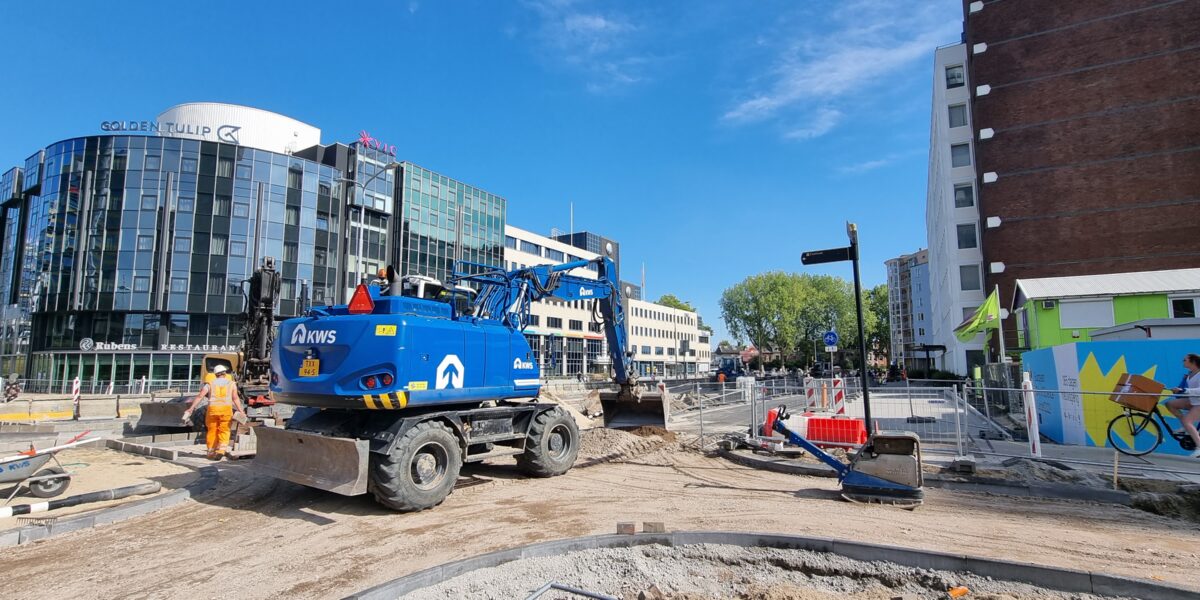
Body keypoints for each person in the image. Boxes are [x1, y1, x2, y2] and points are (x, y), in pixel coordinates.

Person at [183, 365, 247, 460]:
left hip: (212, 410)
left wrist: (191, 408)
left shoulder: (210, 384)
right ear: (225, 373)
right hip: (226, 411)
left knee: (212, 430)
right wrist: (241, 411)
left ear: (216, 374)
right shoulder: (231, 384)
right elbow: (235, 398)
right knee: (224, 430)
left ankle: (211, 452)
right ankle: (221, 451)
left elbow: (200, 396)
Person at [1164, 353, 1200, 458]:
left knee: (1187, 421)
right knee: (1169, 404)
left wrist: (1185, 390)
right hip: (1193, 400)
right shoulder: (1190, 374)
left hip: (1198, 402)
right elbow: (1180, 392)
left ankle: (1199, 447)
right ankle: (1186, 427)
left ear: (1192, 362)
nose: (1183, 362)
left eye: (1185, 360)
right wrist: (1180, 387)